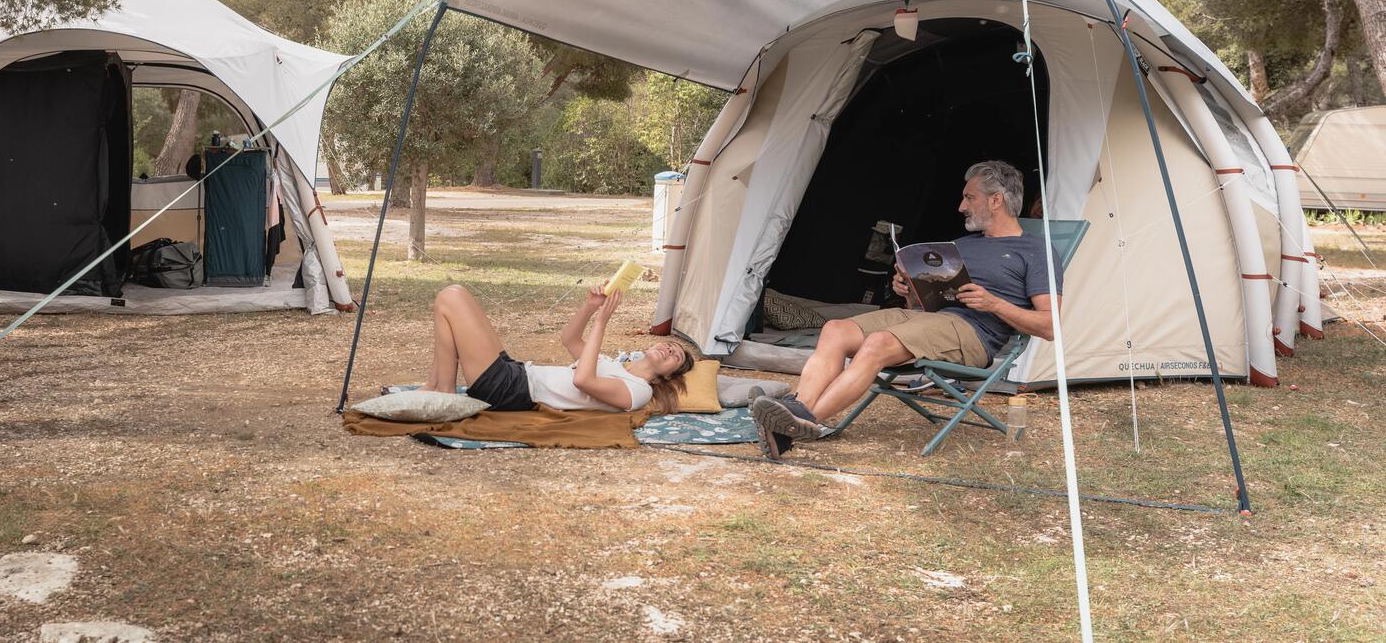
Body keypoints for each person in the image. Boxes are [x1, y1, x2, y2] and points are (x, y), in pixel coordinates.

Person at [751, 160, 1063, 458]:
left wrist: (993, 303)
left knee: (877, 343)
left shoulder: (1035, 251)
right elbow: (925, 304)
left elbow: (1050, 327)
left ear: (996, 200)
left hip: (974, 335)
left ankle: (795, 425)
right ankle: (797, 408)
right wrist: (909, 290)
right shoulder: (961, 246)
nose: (961, 206)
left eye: (970, 197)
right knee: (836, 329)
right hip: (930, 320)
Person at [424, 283, 696, 413]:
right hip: (515, 372)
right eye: (670, 345)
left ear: (670, 375)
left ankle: (445, 393)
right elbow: (570, 339)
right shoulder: (615, 365)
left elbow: (583, 380)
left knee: (452, 297)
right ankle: (436, 386)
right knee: (448, 300)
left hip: (511, 390)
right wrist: (591, 307)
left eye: (676, 356)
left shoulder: (639, 391)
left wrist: (602, 322)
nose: (670, 350)